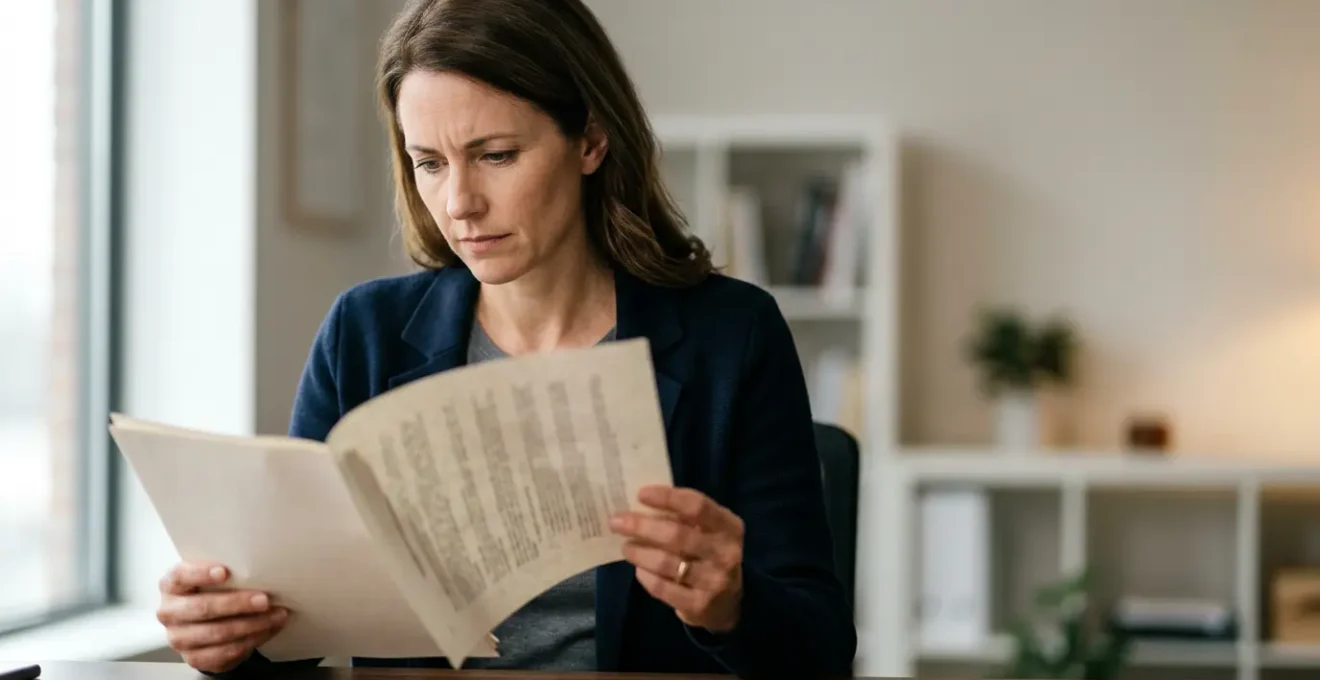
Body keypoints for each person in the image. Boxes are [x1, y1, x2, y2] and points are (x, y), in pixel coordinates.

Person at [152, 0, 856, 677]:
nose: (460, 203)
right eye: (430, 163)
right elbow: (297, 626)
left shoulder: (732, 336)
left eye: (494, 155)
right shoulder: (362, 334)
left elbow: (819, 648)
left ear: (591, 141)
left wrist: (732, 606)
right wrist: (229, 636)